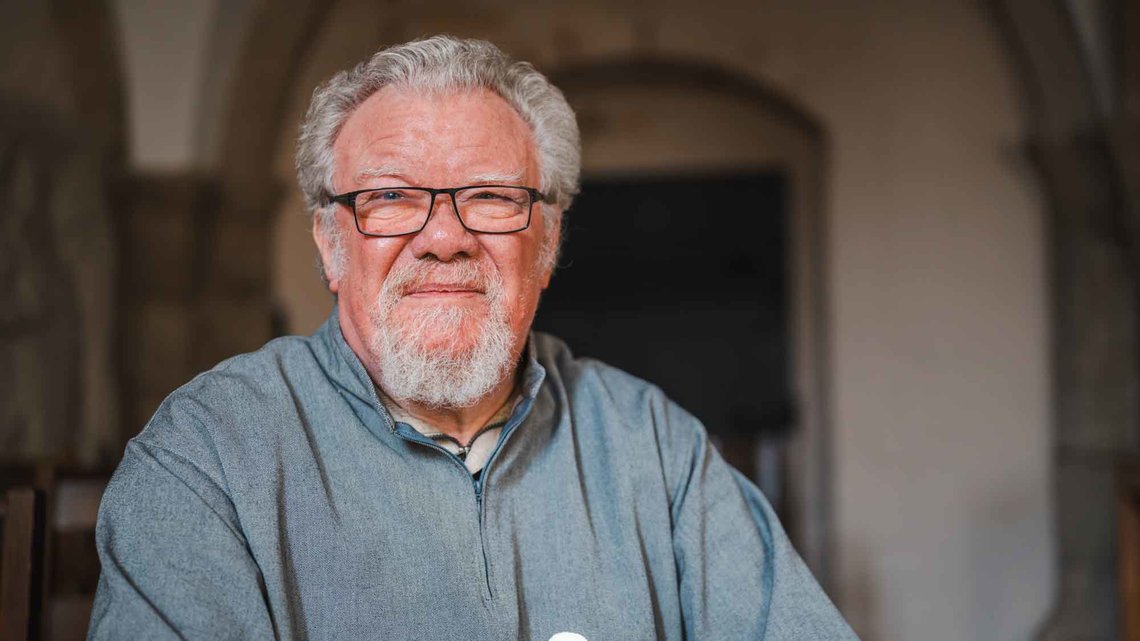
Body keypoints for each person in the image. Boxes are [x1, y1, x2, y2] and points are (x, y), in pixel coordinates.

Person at [89, 36, 856, 640]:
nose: (445, 238)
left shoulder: (654, 446)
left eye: (490, 196)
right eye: (392, 196)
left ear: (547, 241)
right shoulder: (205, 457)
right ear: (330, 242)